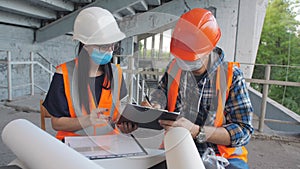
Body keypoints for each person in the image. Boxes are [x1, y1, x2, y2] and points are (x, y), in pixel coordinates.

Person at [142, 8, 253, 169]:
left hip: (220, 158)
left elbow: (244, 131)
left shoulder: (231, 76)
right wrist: (154, 106)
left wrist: (197, 131)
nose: (184, 62)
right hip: (176, 148)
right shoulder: (174, 68)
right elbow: (160, 96)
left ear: (209, 49)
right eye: (181, 56)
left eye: (190, 57)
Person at [43, 7, 137, 141]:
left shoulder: (116, 73)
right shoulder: (64, 74)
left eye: (113, 46)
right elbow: (56, 123)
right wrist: (87, 120)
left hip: (109, 143)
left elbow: (115, 115)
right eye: (104, 46)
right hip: (73, 145)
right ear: (85, 45)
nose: (110, 51)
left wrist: (125, 125)